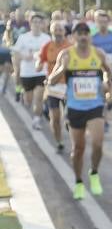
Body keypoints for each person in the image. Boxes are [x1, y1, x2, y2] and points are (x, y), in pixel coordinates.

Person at [47, 21, 112, 199]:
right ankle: (78, 181)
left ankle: (94, 172)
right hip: (75, 108)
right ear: (73, 36)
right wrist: (63, 68)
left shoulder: (97, 53)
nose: (83, 36)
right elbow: (52, 81)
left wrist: (106, 82)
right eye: (79, 33)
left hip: (95, 105)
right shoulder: (66, 54)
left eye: (86, 33)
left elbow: (108, 71)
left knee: (98, 143)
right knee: (78, 149)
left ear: (90, 36)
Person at [40, 21, 72, 152]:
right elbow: (41, 59)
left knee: (70, 118)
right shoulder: (47, 46)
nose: (58, 32)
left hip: (68, 86)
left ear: (64, 32)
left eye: (60, 30)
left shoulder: (70, 47)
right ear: (51, 32)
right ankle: (59, 142)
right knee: (55, 118)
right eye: (55, 30)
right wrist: (38, 64)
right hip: (53, 86)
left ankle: (73, 140)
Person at [15, 13, 50, 129]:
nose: (36, 24)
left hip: (41, 72)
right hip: (27, 73)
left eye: (38, 22)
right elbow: (16, 52)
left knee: (38, 97)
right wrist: (24, 57)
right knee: (28, 100)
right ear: (30, 24)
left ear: (42, 24)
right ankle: (25, 98)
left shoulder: (46, 38)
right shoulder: (23, 37)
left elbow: (50, 55)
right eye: (34, 22)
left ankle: (36, 120)